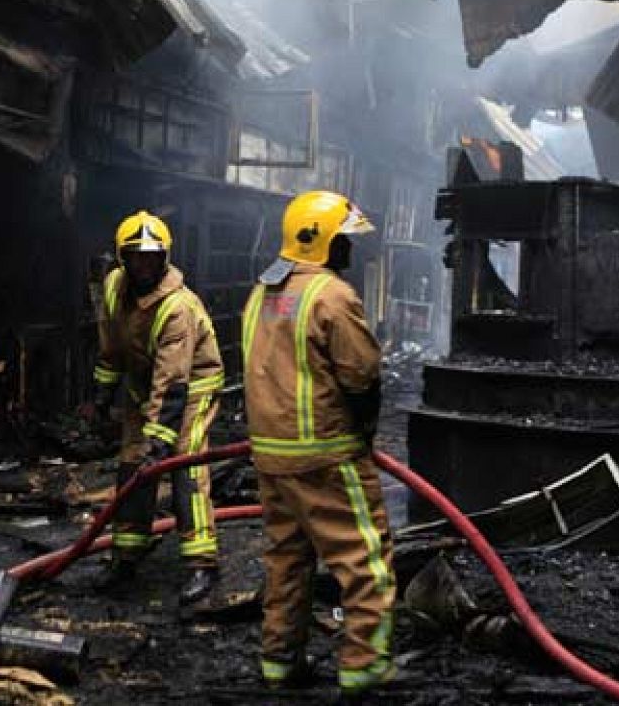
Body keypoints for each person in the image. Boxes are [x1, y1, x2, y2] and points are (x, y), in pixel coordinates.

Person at [242, 190, 395, 697]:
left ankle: (279, 664)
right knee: (364, 561)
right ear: (324, 242)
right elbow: (360, 374)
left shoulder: (262, 294)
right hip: (325, 455)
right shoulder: (331, 295)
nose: (351, 250)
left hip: (270, 455)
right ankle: (364, 670)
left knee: (286, 559)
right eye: (345, 240)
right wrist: (363, 436)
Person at [92, 210, 225, 604]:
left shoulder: (178, 307)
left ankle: (202, 563)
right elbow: (112, 345)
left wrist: (161, 445)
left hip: (190, 387)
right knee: (132, 465)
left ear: (164, 258)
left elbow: (172, 384)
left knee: (185, 465)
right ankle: (127, 555)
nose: (144, 264)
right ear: (122, 258)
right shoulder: (115, 286)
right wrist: (102, 397)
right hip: (143, 384)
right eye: (135, 256)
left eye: (152, 257)